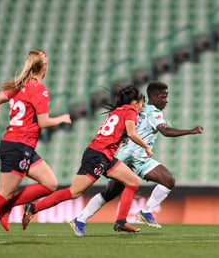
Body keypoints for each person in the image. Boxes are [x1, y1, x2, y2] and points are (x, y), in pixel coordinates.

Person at [0, 49, 72, 247]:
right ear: (44, 67)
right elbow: (44, 122)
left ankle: (7, 207)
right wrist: (62, 118)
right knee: (2, 193)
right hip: (18, 145)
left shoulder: (17, 86)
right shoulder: (40, 90)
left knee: (50, 183)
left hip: (21, 145)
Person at [69, 81, 203, 236]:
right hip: (130, 156)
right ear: (153, 96)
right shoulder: (153, 112)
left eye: (167, 97)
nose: (166, 100)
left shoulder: (141, 108)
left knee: (168, 180)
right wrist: (191, 131)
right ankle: (82, 219)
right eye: (163, 97)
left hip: (139, 159)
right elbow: (166, 132)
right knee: (111, 192)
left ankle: (144, 212)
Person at [21, 85, 153, 233]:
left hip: (104, 155)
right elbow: (132, 132)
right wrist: (146, 147)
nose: (142, 107)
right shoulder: (130, 110)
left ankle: (121, 221)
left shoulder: (118, 110)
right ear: (135, 103)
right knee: (74, 192)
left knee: (133, 181)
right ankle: (34, 208)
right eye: (141, 103)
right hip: (98, 155)